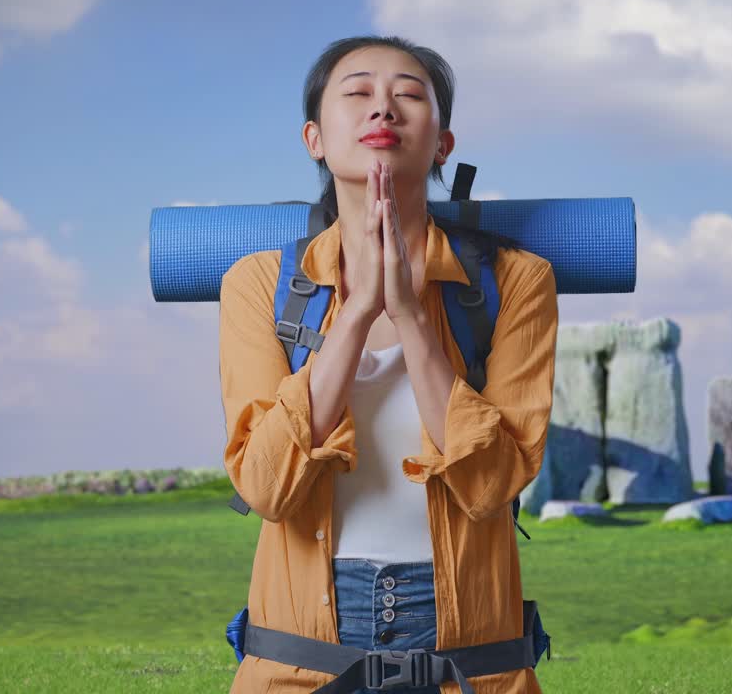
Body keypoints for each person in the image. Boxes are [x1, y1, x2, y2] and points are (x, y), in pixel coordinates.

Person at [219, 34, 558, 693]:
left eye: (408, 94)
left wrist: (407, 313)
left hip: (473, 665)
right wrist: (355, 313)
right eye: (357, 94)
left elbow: (493, 487)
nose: (383, 109)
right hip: (298, 663)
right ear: (314, 138)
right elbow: (266, 487)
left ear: (443, 145)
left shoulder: (516, 282)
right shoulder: (257, 284)